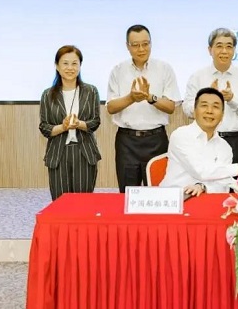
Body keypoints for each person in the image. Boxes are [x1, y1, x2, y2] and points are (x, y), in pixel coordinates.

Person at [107, 24, 181, 192]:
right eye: (135, 45)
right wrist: (131, 98)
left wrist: (150, 98)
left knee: (158, 193)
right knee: (128, 193)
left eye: (145, 44)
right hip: (127, 142)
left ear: (151, 43)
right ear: (127, 46)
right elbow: (111, 107)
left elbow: (171, 107)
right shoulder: (118, 70)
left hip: (156, 140)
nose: (141, 49)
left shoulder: (164, 69)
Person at [183, 28, 238, 163]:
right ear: (210, 50)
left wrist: (232, 100)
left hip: (236, 142)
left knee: (237, 177)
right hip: (205, 140)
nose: (224, 51)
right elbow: (187, 109)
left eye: (229, 46)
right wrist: (206, 100)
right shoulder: (197, 77)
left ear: (234, 50)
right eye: (219, 46)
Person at [161, 88, 238, 196]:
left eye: (216, 107)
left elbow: (223, 183)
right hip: (175, 199)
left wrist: (203, 186)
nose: (209, 111)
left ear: (222, 115)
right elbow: (201, 171)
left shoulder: (225, 147)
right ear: (194, 111)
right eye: (204, 105)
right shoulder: (181, 135)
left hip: (205, 198)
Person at [39, 45, 101, 201]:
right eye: (65, 63)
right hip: (58, 153)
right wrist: (63, 127)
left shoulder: (91, 91)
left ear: (80, 66)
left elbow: (95, 122)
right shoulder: (47, 95)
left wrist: (79, 124)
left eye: (74, 63)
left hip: (84, 152)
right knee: (60, 203)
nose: (70, 68)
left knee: (83, 203)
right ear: (57, 66)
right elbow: (44, 127)